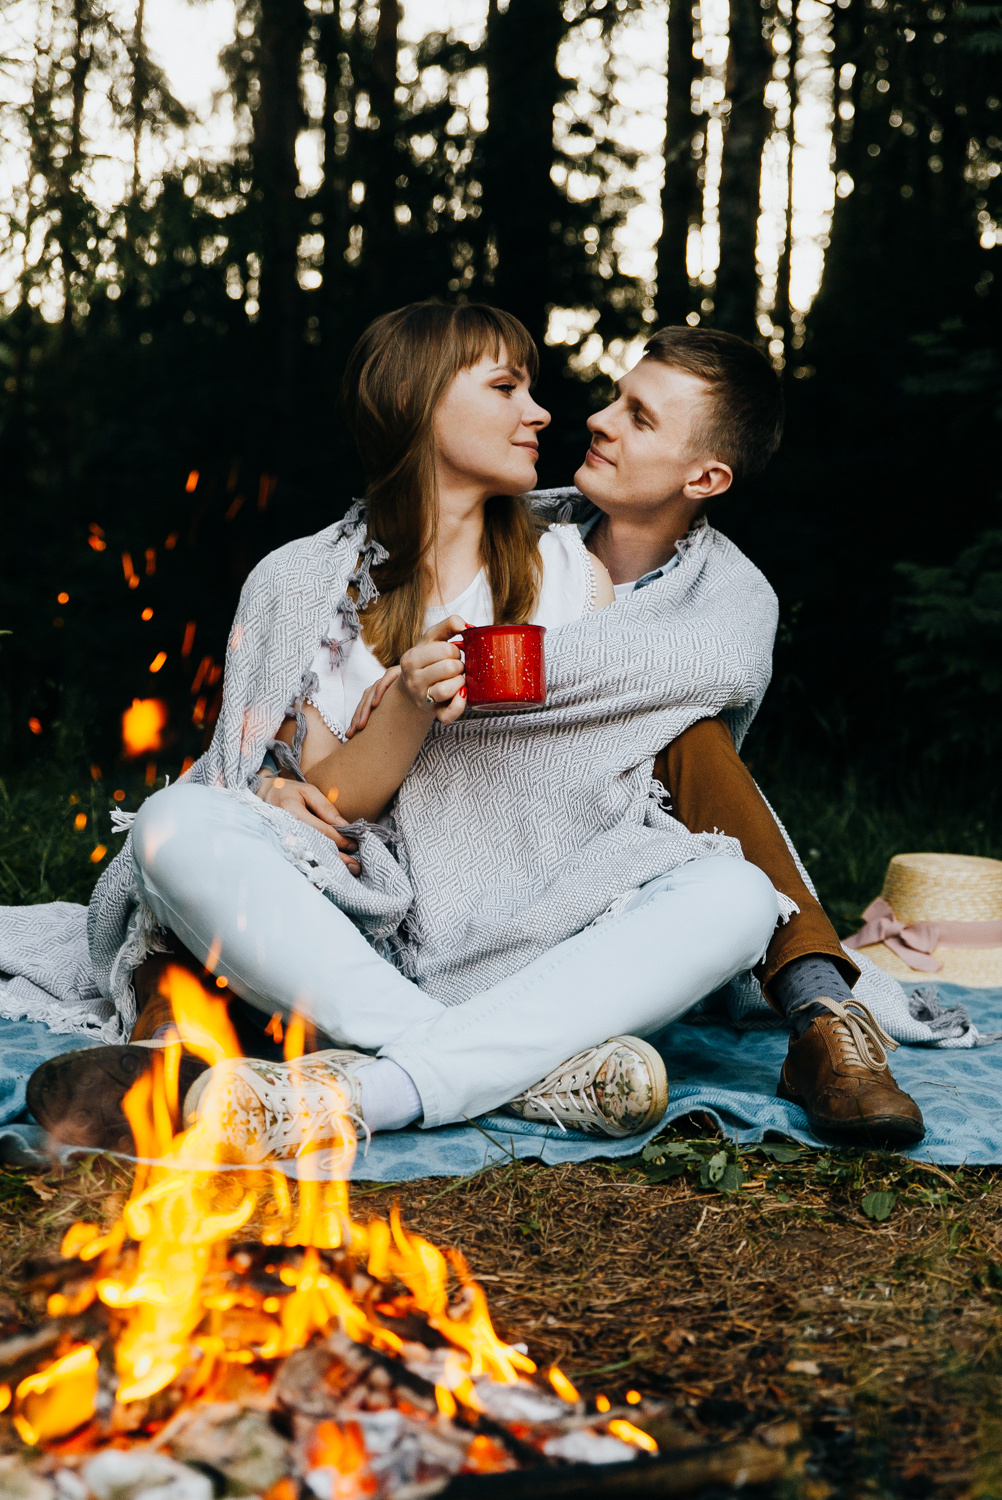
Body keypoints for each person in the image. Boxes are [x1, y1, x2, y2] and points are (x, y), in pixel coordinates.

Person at [27, 302, 782, 1158]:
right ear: (418, 403)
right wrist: (403, 712)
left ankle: (370, 1087)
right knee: (173, 826)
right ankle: (518, 1075)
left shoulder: (574, 572)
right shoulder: (300, 587)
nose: (543, 412)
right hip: (368, 923)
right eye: (507, 387)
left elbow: (584, 756)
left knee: (737, 897)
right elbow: (329, 798)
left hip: (546, 910)